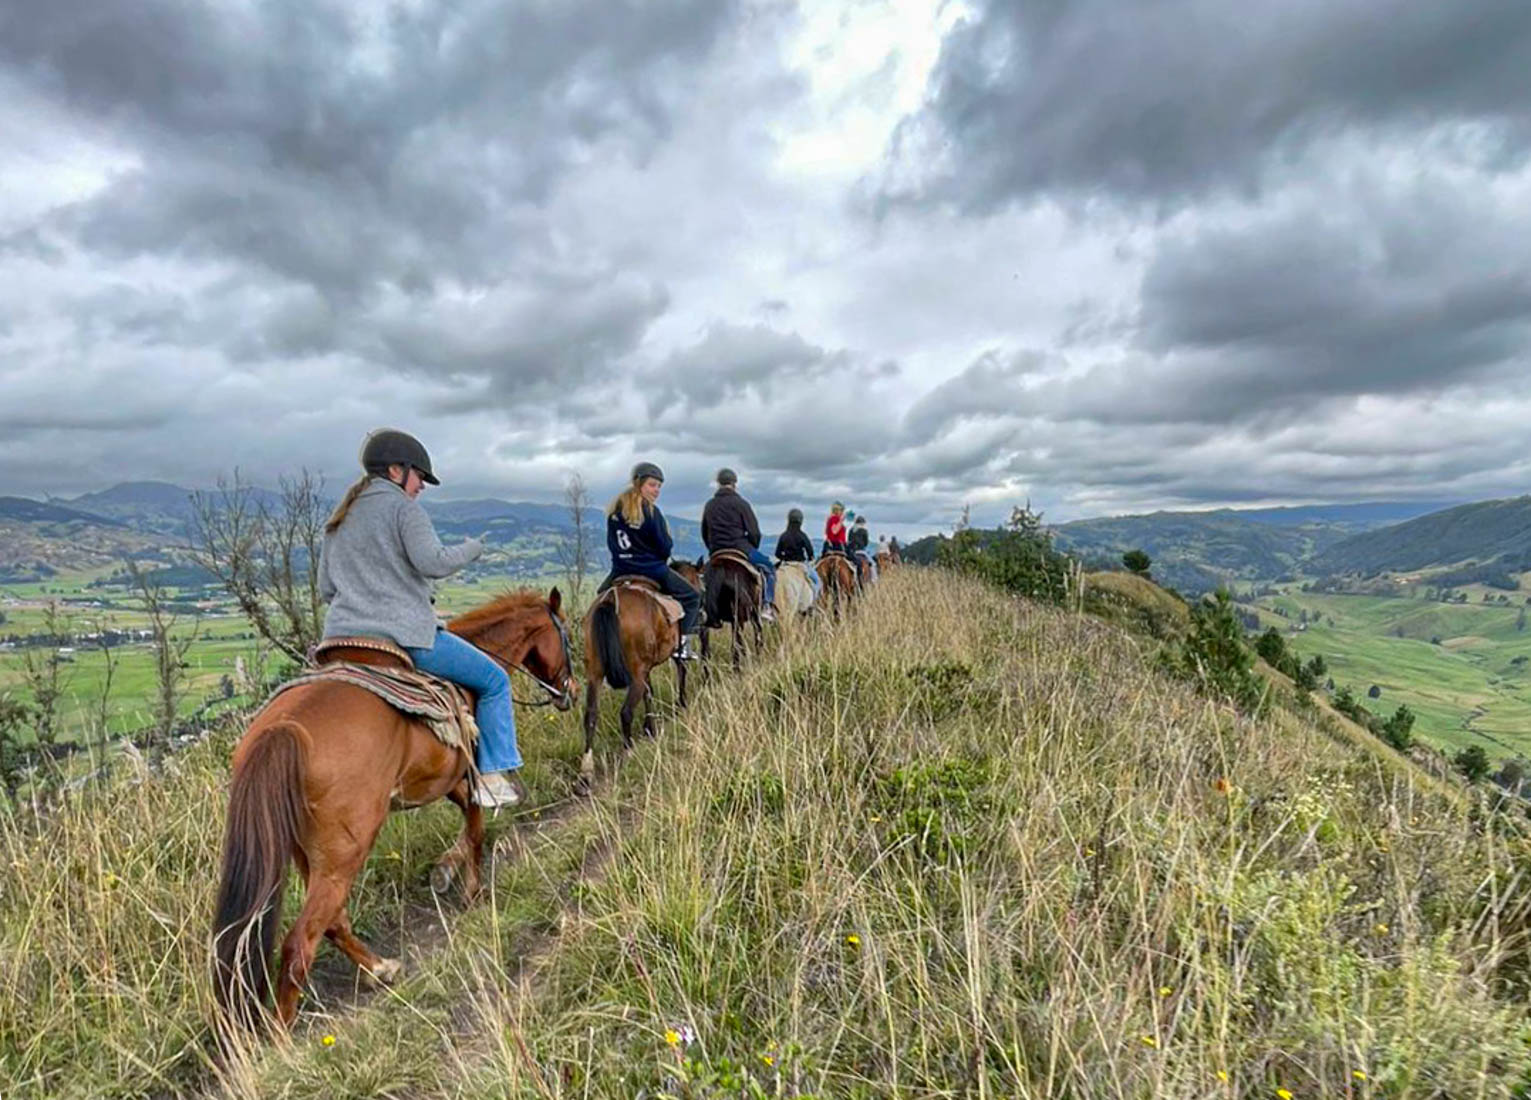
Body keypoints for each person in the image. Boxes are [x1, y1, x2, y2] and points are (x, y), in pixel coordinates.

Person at [317, 428, 524, 808]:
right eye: (420, 476)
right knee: (494, 680)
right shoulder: (403, 509)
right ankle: (492, 778)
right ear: (397, 471)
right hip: (402, 637)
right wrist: (472, 549)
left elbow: (326, 589)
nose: (422, 486)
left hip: (338, 641)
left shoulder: (340, 517)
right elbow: (433, 563)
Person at [599, 461, 701, 659]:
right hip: (652, 570)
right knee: (692, 596)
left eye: (659, 486)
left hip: (620, 570)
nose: (656, 491)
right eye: (652, 485)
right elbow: (665, 547)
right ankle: (683, 646)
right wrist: (657, 559)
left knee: (600, 597)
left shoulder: (614, 513)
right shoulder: (652, 512)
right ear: (639, 484)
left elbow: (612, 545)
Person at [700, 468, 777, 621]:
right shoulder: (742, 504)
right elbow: (754, 532)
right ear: (734, 484)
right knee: (769, 568)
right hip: (741, 548)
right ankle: (766, 605)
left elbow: (704, 531)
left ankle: (702, 610)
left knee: (701, 579)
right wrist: (752, 546)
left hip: (717, 551)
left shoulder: (709, 505)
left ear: (718, 484)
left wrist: (713, 549)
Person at [774, 507, 821, 599]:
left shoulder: (783, 536)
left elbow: (777, 553)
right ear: (801, 521)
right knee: (817, 581)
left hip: (786, 564)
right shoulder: (803, 536)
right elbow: (810, 552)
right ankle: (814, 601)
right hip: (800, 565)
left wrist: (784, 558)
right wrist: (810, 558)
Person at [849, 514, 878, 582]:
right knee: (873, 564)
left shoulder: (851, 530)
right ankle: (874, 579)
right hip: (861, 551)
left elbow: (849, 540)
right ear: (862, 523)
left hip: (852, 551)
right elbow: (866, 542)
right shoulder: (864, 530)